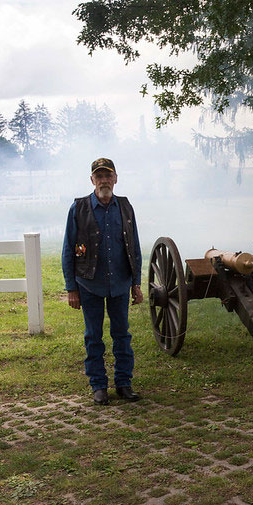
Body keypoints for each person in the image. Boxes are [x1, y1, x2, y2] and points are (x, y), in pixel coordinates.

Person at [62, 157, 143, 404]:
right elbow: (68, 250)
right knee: (93, 337)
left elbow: (135, 247)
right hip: (89, 284)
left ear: (116, 178)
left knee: (122, 336)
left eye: (108, 176)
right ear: (92, 180)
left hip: (119, 283)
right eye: (99, 176)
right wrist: (71, 289)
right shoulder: (78, 208)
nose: (104, 180)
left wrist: (136, 283)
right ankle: (98, 386)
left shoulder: (126, 207)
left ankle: (124, 383)